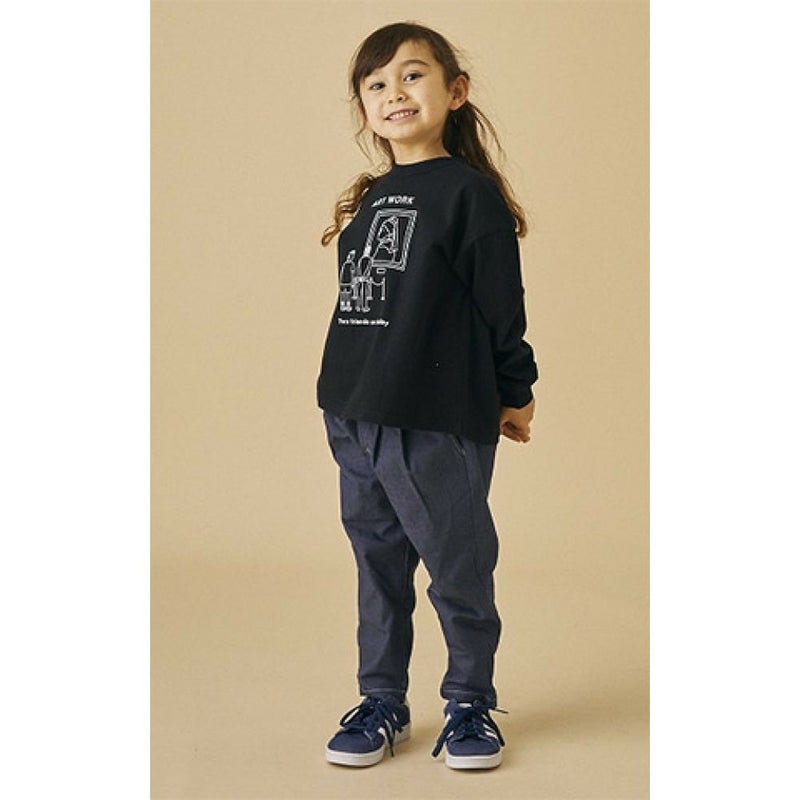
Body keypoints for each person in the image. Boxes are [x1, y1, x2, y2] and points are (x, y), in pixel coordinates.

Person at [316, 21, 539, 771]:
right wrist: (340, 400)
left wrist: (516, 389)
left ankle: (470, 702)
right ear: (364, 109)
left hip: (435, 417)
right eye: (376, 84)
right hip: (354, 412)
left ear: (456, 91)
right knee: (377, 566)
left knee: (457, 564)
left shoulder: (469, 195)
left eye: (412, 75)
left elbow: (501, 305)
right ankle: (382, 699)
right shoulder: (371, 200)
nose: (395, 92)